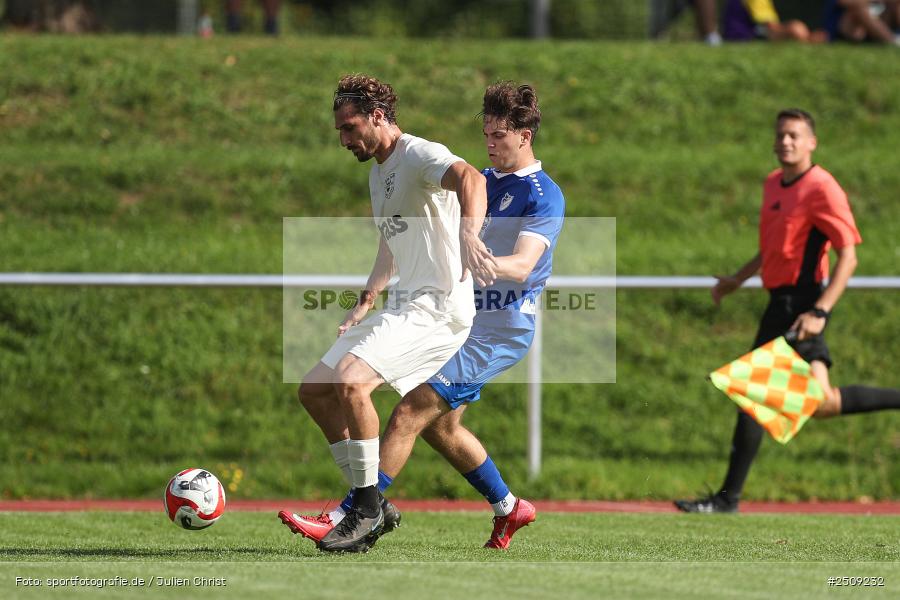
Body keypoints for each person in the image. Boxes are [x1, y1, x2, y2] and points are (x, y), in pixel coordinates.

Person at [281, 82, 565, 549]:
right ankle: (510, 507)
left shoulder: (542, 194)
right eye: (487, 135)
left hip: (496, 327)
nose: (490, 145)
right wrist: (370, 296)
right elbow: (406, 232)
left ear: (525, 135)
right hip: (455, 309)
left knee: (409, 411)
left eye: (500, 136)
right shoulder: (479, 179)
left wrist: (478, 253)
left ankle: (356, 512)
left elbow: (525, 265)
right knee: (440, 425)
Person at [675, 109, 900, 514]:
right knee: (823, 403)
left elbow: (848, 257)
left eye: (795, 135)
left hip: (802, 306)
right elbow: (773, 248)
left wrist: (821, 312)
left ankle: (727, 501)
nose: (786, 142)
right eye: (780, 135)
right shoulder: (773, 184)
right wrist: (737, 280)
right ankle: (727, 500)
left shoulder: (822, 188)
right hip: (779, 303)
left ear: (812, 142)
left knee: (752, 395)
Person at [722, 0, 827, 42]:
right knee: (796, 28)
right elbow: (771, 28)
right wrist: (807, 38)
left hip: (742, 35)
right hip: (744, 37)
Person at [824, 0, 900, 45]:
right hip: (843, 26)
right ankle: (893, 41)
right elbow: (844, 2)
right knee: (860, 8)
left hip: (875, 19)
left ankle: (895, 35)